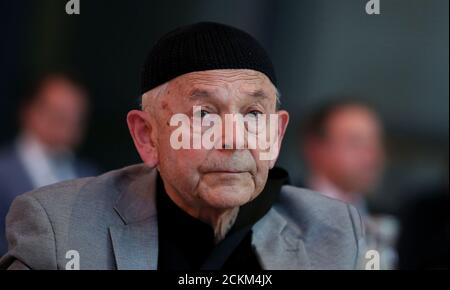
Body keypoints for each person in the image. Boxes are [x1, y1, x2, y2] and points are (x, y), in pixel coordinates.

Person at [0, 22, 364, 270]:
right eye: (205, 114)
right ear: (147, 135)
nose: (234, 138)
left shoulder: (332, 231)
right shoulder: (60, 229)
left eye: (254, 114)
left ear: (277, 135)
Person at [0, 74, 97, 255]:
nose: (67, 124)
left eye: (76, 117)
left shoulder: (90, 175)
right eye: (58, 114)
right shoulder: (4, 172)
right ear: (29, 112)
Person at [301, 99, 398, 269]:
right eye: (355, 143)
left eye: (375, 143)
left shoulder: (390, 220)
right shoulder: (277, 211)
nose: (371, 157)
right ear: (315, 149)